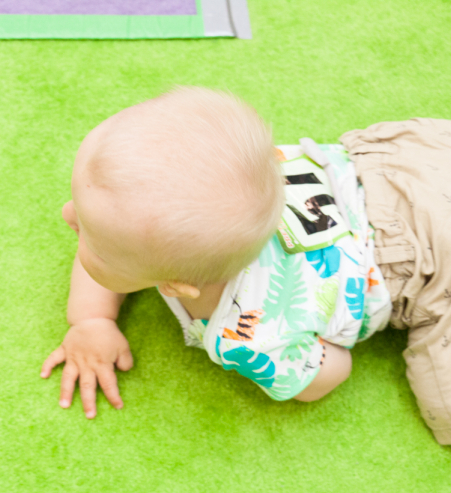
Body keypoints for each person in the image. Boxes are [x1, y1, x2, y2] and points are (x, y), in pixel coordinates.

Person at [40, 86, 391, 419]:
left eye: (89, 235)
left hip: (398, 262)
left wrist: (320, 348)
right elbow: (116, 255)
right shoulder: (248, 176)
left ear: (176, 286)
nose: (66, 214)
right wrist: (91, 320)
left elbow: (331, 373)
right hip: (382, 171)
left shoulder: (249, 337)